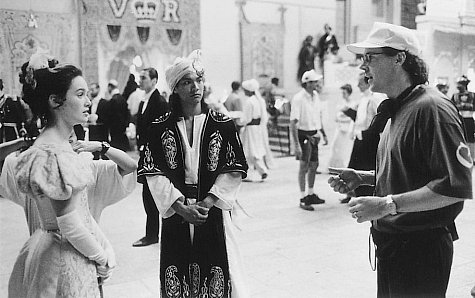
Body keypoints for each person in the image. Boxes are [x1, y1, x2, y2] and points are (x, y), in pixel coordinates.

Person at [328, 22, 473, 297]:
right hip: (394, 246)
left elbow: (454, 189)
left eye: (370, 58)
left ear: (399, 58)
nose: (363, 66)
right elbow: (413, 170)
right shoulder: (401, 106)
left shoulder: (432, 109)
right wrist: (364, 177)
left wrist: (386, 205)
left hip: (421, 251)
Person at [137, 49, 249, 297]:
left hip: (212, 210)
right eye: (187, 82)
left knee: (220, 272)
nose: (194, 87)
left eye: (198, 80)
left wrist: (208, 202)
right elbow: (153, 173)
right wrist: (180, 207)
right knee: (178, 273)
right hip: (177, 210)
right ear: (175, 87)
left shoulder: (222, 124)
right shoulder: (159, 128)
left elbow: (234, 169)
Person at [7, 54, 119, 297]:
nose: (88, 101)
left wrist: (104, 245)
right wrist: (100, 257)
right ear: (55, 101)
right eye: (80, 95)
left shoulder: (59, 145)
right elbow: (68, 222)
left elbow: (82, 213)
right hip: (62, 253)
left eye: (87, 94)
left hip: (68, 248)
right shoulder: (51, 151)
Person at [1, 124, 137, 235]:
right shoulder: (32, 168)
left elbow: (130, 166)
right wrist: (24, 141)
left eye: (70, 136)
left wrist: (101, 146)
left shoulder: (88, 167)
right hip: (44, 244)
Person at [132, 67, 169, 247]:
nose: (140, 81)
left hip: (156, 156)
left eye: (144, 78)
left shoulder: (159, 102)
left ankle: (153, 234)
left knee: (154, 193)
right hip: (145, 153)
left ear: (154, 81)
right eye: (140, 78)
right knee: (147, 195)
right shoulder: (143, 101)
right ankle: (151, 233)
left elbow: (163, 130)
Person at [339, 73, 385, 204]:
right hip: (360, 136)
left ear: (367, 82)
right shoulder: (363, 98)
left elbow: (379, 117)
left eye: (360, 82)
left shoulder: (375, 97)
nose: (358, 85)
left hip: (370, 137)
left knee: (367, 167)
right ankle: (352, 193)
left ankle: (366, 196)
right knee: (354, 166)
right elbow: (360, 118)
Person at [290, 69, 328, 211]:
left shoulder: (315, 96)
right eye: (314, 82)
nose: (317, 84)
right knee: (303, 166)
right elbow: (293, 122)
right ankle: (302, 197)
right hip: (303, 134)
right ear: (307, 83)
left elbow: (317, 116)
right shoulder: (298, 98)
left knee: (314, 165)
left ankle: (311, 193)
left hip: (314, 134)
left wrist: (323, 133)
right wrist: (296, 145)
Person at [240, 79, 269, 181]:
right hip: (257, 128)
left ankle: (250, 173)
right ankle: (262, 170)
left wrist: (241, 122)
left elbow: (246, 118)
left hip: (250, 128)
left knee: (249, 151)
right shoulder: (258, 101)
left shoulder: (249, 102)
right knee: (255, 149)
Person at [328, 83, 355, 169]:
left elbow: (352, 118)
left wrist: (344, 117)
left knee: (346, 148)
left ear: (349, 93)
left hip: (347, 129)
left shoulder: (353, 104)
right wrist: (341, 118)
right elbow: (336, 117)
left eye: (344, 93)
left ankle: (345, 166)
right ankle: (335, 166)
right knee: (336, 146)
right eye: (342, 93)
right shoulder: (340, 103)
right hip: (340, 128)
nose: (343, 95)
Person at [451, 75, 475, 158]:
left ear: (465, 84)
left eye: (460, 84)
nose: (458, 86)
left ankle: (472, 157)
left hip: (469, 119)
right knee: (458, 137)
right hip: (458, 119)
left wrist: (466, 106)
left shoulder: (472, 95)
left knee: (470, 138)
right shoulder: (455, 96)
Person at [87, 82, 111, 159]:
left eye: (93, 89)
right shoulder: (90, 102)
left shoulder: (105, 102)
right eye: (90, 90)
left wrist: (98, 118)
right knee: (94, 153)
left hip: (102, 131)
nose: (91, 91)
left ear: (98, 89)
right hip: (93, 130)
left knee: (104, 153)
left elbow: (107, 118)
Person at [107, 79, 130, 151]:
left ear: (110, 87)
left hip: (115, 132)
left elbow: (111, 118)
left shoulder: (113, 100)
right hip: (122, 131)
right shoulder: (123, 99)